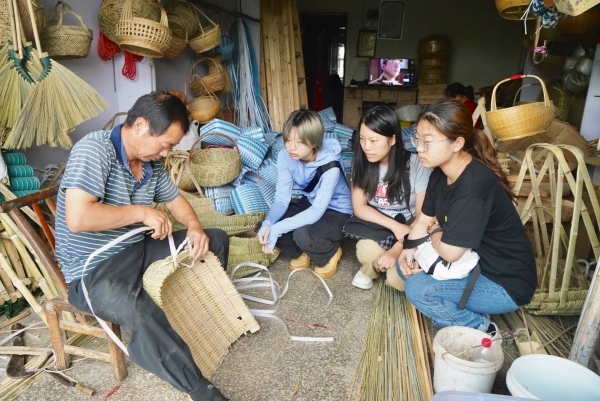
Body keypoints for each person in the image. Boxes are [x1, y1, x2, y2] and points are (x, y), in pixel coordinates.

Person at [55, 92, 230, 401]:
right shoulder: (96, 150)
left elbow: (176, 201)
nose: (165, 154)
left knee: (213, 241)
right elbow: (78, 218)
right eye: (164, 145)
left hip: (138, 248)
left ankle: (190, 324)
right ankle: (200, 390)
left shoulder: (151, 163)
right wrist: (142, 212)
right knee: (139, 311)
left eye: (171, 148)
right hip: (93, 269)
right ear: (139, 126)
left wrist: (193, 227)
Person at [398, 100, 537, 334]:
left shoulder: (472, 188)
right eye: (417, 139)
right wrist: (408, 250)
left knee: (418, 289)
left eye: (427, 142)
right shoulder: (440, 173)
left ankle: (482, 327)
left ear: (457, 143)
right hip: (471, 262)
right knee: (404, 267)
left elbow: (450, 252)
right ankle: (457, 305)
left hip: (504, 282)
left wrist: (434, 230)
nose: (419, 148)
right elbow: (423, 219)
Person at [258, 110, 352, 278]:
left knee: (303, 233)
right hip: (311, 202)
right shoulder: (284, 157)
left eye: (300, 142)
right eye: (288, 140)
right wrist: (269, 223)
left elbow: (317, 211)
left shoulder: (331, 165)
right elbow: (281, 199)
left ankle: (330, 252)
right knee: (265, 227)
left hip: (337, 211)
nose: (291, 147)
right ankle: (303, 252)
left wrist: (278, 229)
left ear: (314, 142)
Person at [345, 106, 430, 290]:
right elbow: (359, 207)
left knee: (397, 281)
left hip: (412, 228)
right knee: (367, 251)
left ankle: (379, 268)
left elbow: (423, 215)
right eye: (362, 138)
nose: (366, 146)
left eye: (374, 140)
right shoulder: (361, 162)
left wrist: (397, 248)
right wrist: (395, 227)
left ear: (392, 139)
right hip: (379, 228)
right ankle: (373, 267)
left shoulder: (416, 164)